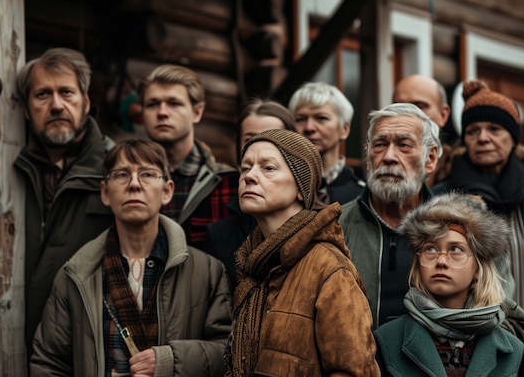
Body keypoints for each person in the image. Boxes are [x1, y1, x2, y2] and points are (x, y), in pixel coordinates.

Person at [30, 139, 232, 376]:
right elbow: (48, 364)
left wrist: (170, 361)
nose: (134, 184)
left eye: (147, 174)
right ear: (105, 193)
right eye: (121, 175)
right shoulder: (75, 275)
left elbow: (228, 352)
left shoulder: (207, 271)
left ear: (167, 191)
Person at [433, 80, 524, 376]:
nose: (483, 138)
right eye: (473, 131)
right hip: (472, 352)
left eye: (494, 130)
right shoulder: (444, 197)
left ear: (513, 137)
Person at [226, 129, 379, 376]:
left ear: (301, 187)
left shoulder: (328, 268)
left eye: (268, 168)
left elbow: (354, 370)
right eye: (245, 168)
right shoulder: (253, 265)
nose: (249, 176)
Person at [14, 47, 114, 352]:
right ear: (27, 109)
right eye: (43, 95)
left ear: (85, 103)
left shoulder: (118, 172)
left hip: (90, 351)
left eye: (66, 93)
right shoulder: (3, 173)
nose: (56, 105)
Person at [375, 192, 524, 376]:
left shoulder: (513, 352)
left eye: (456, 249)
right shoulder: (387, 341)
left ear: (477, 269)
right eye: (431, 249)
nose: (441, 261)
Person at [339, 103, 442, 330]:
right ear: (368, 159)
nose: (389, 157)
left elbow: (500, 316)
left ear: (430, 159)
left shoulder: (457, 230)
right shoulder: (334, 227)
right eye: (379, 145)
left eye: (404, 145)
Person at [139, 64, 239, 253]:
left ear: (197, 112)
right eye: (152, 104)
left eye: (174, 103)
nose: (162, 112)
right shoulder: (130, 182)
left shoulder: (228, 184)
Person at [207, 98, 297, 288]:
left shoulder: (316, 232)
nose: (259, 147)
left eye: (272, 139)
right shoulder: (219, 233)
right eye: (250, 140)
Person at [288, 81, 365, 204]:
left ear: (344, 129)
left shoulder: (364, 195)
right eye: (300, 119)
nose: (309, 127)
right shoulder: (281, 188)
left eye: (321, 118)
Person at [392, 74, 454, 186]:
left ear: (443, 115)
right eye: (399, 107)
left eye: (419, 107)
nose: (407, 114)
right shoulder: (379, 169)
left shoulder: (462, 179)